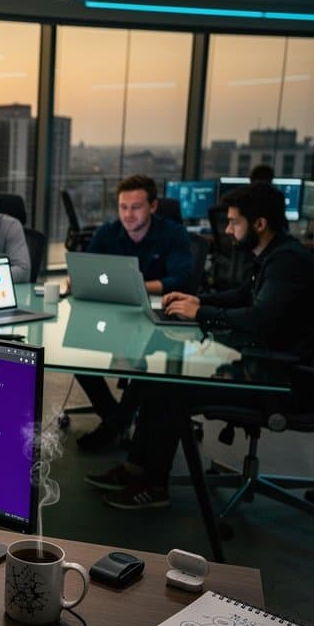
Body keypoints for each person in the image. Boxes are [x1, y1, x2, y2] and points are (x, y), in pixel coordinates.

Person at [86, 182, 314, 509]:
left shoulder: (287, 263)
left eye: (234, 222)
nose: (227, 229)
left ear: (259, 224)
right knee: (159, 375)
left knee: (172, 386)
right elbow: (242, 295)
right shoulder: (274, 254)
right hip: (262, 362)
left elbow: (258, 319)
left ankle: (155, 487)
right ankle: (136, 468)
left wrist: (201, 312)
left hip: (280, 379)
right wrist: (197, 300)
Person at [72, 174, 194, 452]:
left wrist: (133, 285)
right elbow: (88, 270)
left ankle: (113, 426)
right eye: (123, 207)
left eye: (136, 207)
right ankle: (115, 419)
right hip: (116, 313)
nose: (128, 214)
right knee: (76, 355)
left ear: (153, 206)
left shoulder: (173, 234)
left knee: (147, 359)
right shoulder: (108, 233)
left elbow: (181, 279)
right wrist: (78, 279)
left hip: (160, 319)